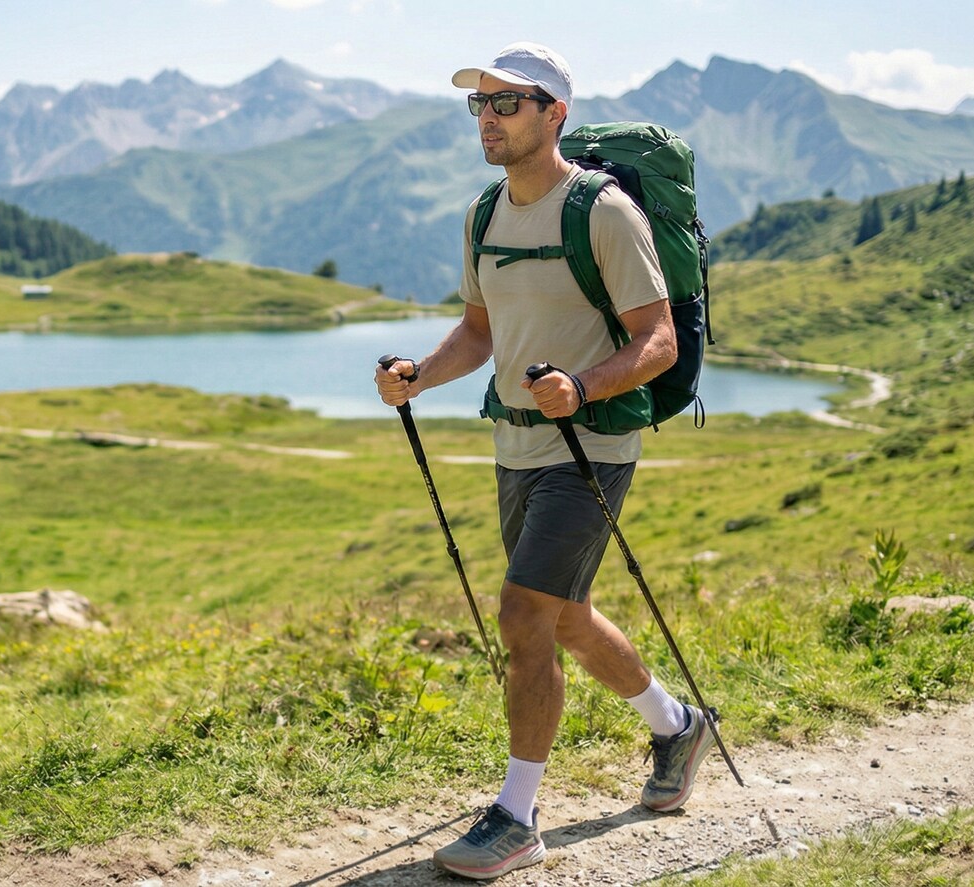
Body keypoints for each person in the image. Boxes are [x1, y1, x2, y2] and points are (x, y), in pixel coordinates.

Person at [373, 42, 711, 881]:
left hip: (590, 443)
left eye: (506, 103)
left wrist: (583, 386)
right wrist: (419, 372)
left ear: (554, 111)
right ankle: (677, 726)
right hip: (518, 442)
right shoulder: (485, 214)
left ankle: (517, 816)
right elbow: (482, 332)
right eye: (479, 105)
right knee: (563, 614)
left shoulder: (602, 212)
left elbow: (658, 340)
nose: (488, 118)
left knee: (524, 615)